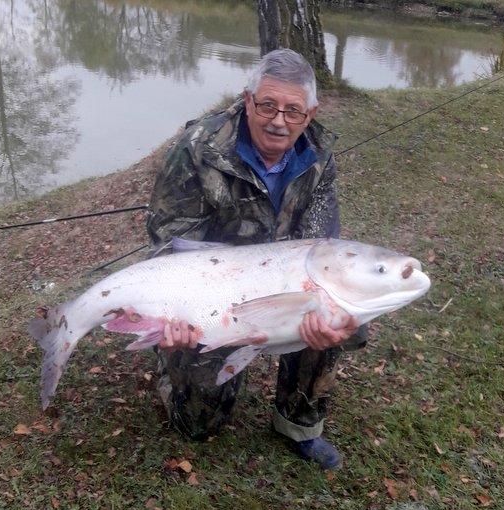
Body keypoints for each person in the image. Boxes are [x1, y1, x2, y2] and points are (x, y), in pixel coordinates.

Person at [145, 48, 362, 470]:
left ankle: (299, 424)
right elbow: (169, 243)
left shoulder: (319, 157)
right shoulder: (196, 149)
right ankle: (171, 371)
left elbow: (321, 245)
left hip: (283, 285)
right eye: (267, 105)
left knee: (334, 309)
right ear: (248, 101)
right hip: (209, 295)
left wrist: (324, 307)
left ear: (310, 113)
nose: (278, 120)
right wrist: (176, 313)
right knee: (198, 426)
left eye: (292, 111)